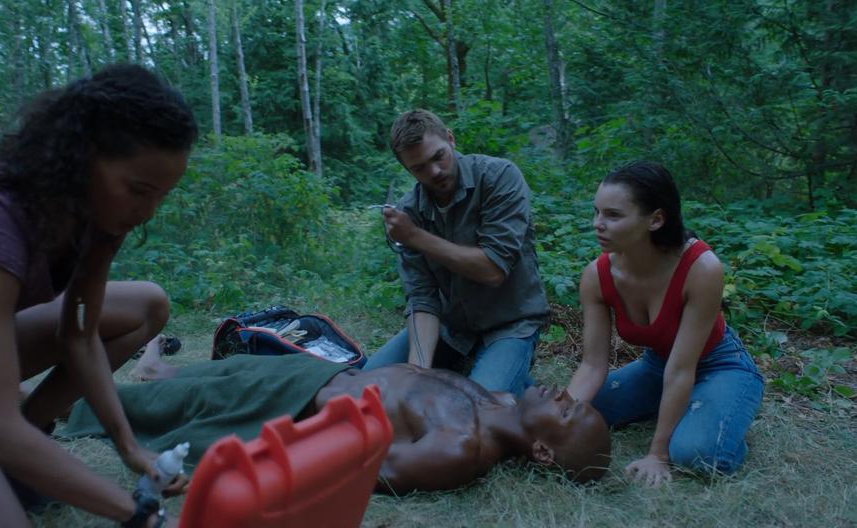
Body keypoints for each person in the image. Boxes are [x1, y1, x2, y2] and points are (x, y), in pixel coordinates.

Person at [0, 64, 198, 527]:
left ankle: (26, 435)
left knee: (146, 303)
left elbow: (80, 335)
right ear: (81, 156)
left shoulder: (99, 216)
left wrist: (130, 448)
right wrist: (137, 513)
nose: (146, 212)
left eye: (160, 197)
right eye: (138, 190)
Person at [62, 351, 612, 494]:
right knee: (198, 375)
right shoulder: (497, 398)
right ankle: (158, 369)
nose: (563, 391)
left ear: (541, 451)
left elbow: (353, 469)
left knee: (162, 408)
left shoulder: (458, 449)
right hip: (312, 373)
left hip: (288, 408)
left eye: (566, 409)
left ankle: (49, 406)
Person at [566, 161, 764, 486]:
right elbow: (591, 366)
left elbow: (681, 369)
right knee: (588, 413)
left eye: (613, 215)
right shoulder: (596, 276)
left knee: (695, 453)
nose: (597, 224)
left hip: (720, 366)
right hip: (657, 368)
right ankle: (684, 411)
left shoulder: (702, 267)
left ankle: (720, 413)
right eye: (597, 212)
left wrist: (658, 453)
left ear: (656, 219)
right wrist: (554, 420)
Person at [364, 109, 550, 398]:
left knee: (474, 410)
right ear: (407, 169)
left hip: (511, 322)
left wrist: (415, 236)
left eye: (438, 156)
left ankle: (511, 379)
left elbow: (493, 269)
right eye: (420, 167)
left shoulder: (498, 176)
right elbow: (422, 298)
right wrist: (418, 374)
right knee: (366, 387)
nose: (435, 172)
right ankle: (488, 372)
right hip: (451, 327)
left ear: (450, 139)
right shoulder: (410, 209)